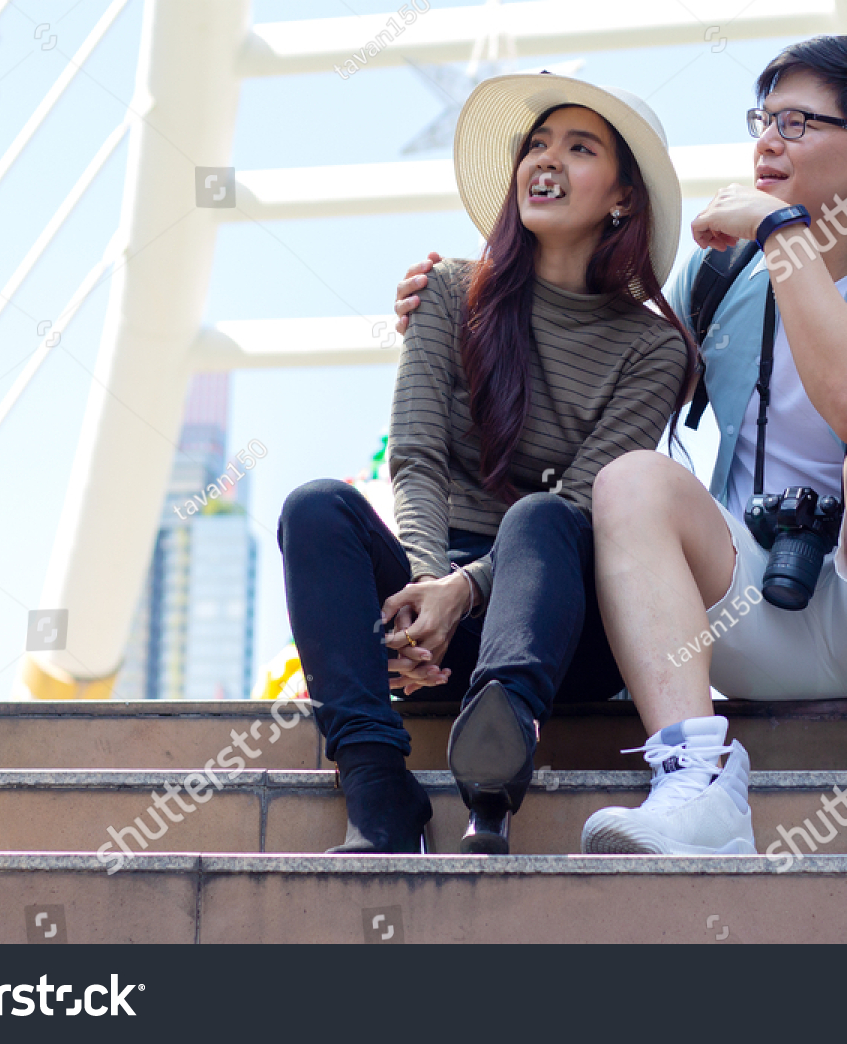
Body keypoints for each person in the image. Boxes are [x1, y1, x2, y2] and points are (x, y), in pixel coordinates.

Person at [395, 37, 847, 858]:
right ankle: (696, 783)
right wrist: (464, 316)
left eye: (798, 124)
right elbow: (594, 365)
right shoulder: (722, 277)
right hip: (752, 618)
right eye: (765, 120)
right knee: (631, 479)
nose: (768, 142)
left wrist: (783, 235)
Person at [280, 72, 694, 855]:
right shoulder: (447, 292)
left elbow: (586, 502)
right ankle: (376, 790)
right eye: (537, 144)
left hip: (560, 628)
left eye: (580, 148)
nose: (547, 161)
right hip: (435, 601)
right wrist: (423, 594)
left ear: (623, 198)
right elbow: (417, 460)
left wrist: (461, 592)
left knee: (544, 515)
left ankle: (497, 763)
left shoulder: (655, 348)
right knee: (315, 507)